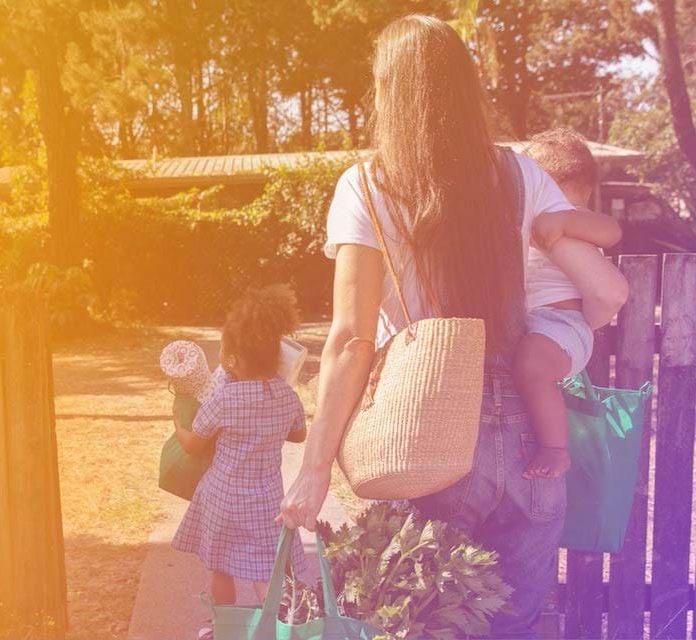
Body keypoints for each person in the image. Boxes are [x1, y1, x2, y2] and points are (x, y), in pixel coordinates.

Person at [275, 16, 590, 637]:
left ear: (388, 91)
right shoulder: (520, 174)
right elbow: (581, 277)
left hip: (425, 429)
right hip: (528, 432)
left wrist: (313, 468)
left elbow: (351, 339)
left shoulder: (367, 185)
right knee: (516, 628)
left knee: (418, 625)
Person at [170, 284, 304, 622]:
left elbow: (193, 443)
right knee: (265, 570)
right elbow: (299, 435)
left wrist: (177, 422)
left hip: (223, 497)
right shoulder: (287, 396)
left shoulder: (225, 398)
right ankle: (279, 625)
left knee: (221, 567)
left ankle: (224, 626)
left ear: (235, 359)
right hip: (266, 500)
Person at [514, 128, 629, 481]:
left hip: (559, 322)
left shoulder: (573, 216)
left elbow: (612, 231)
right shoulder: (523, 220)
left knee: (533, 366)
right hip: (536, 324)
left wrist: (564, 220)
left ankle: (555, 448)